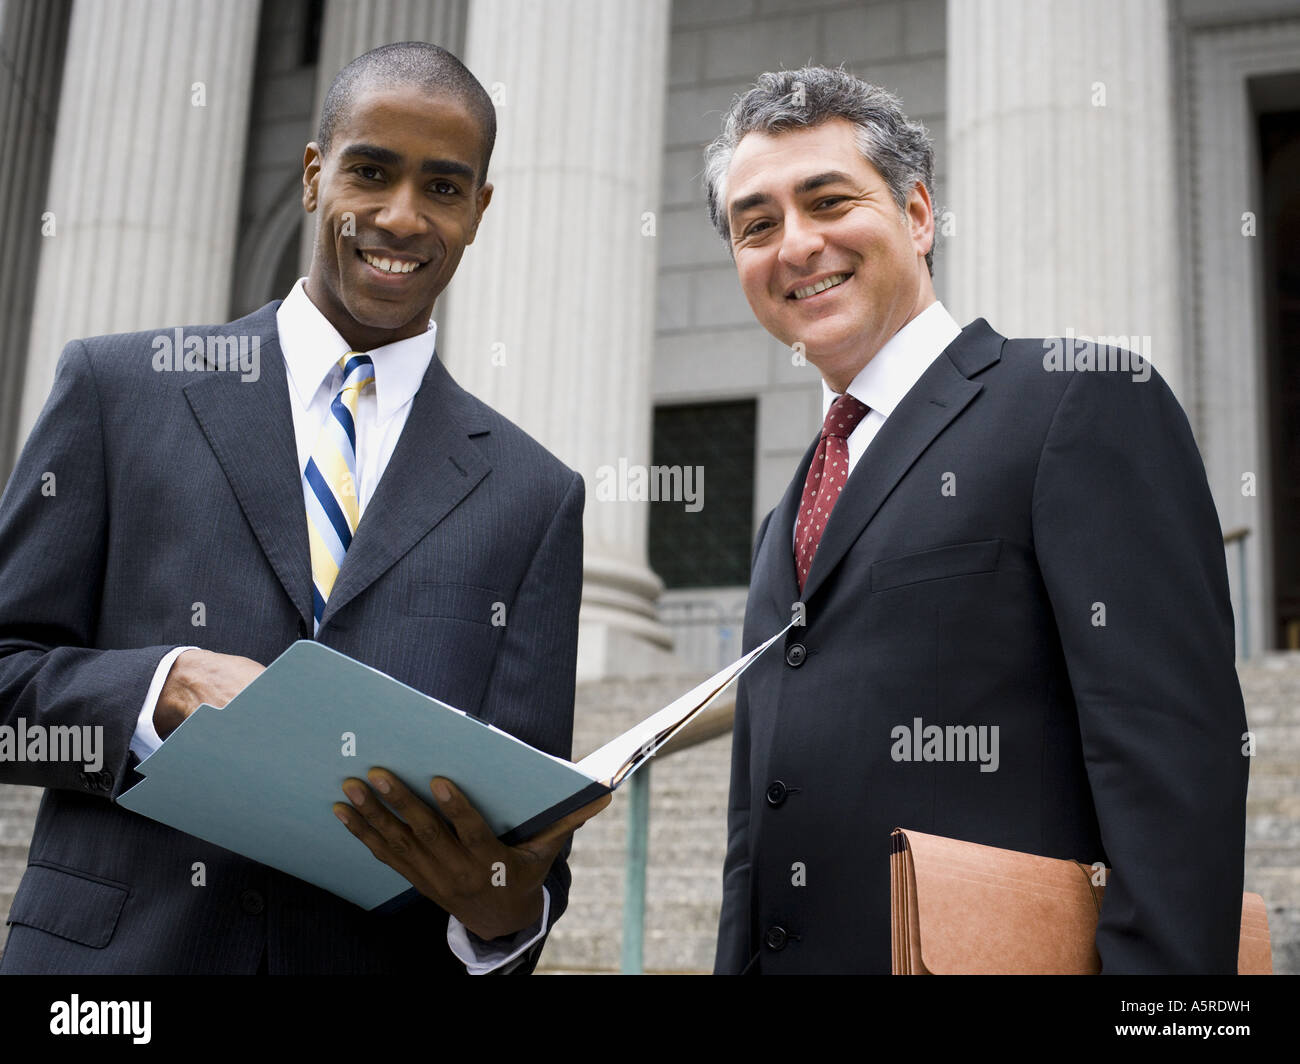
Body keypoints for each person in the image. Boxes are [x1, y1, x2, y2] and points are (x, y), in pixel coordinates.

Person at [0, 41, 607, 975]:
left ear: (479, 212)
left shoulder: (534, 497)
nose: (400, 218)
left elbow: (525, 862)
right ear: (315, 174)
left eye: (443, 188)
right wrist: (159, 688)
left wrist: (498, 901)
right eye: (371, 171)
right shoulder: (118, 389)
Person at [705, 66, 1249, 974]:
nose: (795, 245)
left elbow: (1174, 768)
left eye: (828, 200)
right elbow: (754, 832)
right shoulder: (784, 520)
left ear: (918, 216)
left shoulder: (1081, 403)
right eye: (756, 225)